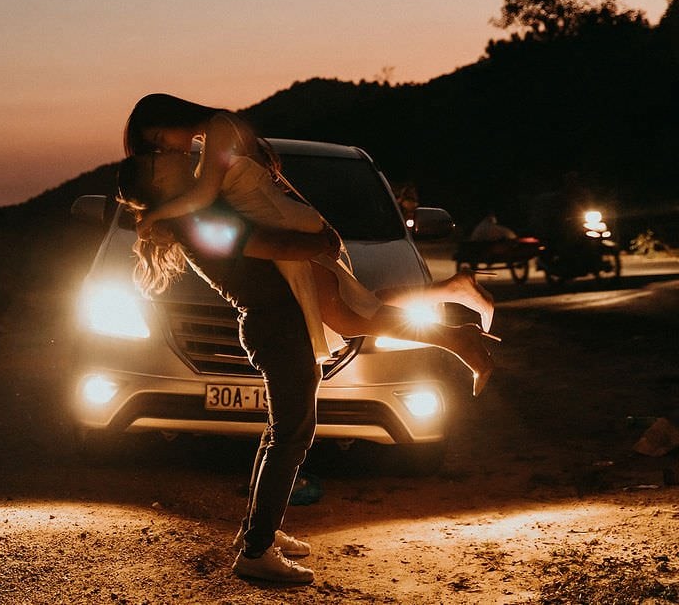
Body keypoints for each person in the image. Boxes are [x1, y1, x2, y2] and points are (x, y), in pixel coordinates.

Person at [117, 152, 498, 584]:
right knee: (291, 434)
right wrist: (318, 242)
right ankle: (256, 551)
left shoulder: (195, 212)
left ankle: (258, 530)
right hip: (276, 328)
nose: (172, 157)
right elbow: (261, 244)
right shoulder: (195, 224)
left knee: (286, 427)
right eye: (159, 162)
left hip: (285, 321)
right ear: (157, 184)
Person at [123, 93, 497, 372]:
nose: (164, 148)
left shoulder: (219, 128)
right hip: (281, 217)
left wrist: (153, 215)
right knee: (358, 304)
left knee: (346, 318)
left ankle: (456, 339)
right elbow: (264, 184)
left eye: (159, 137)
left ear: (170, 116)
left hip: (281, 223)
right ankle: (453, 292)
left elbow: (204, 197)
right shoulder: (214, 136)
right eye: (156, 148)